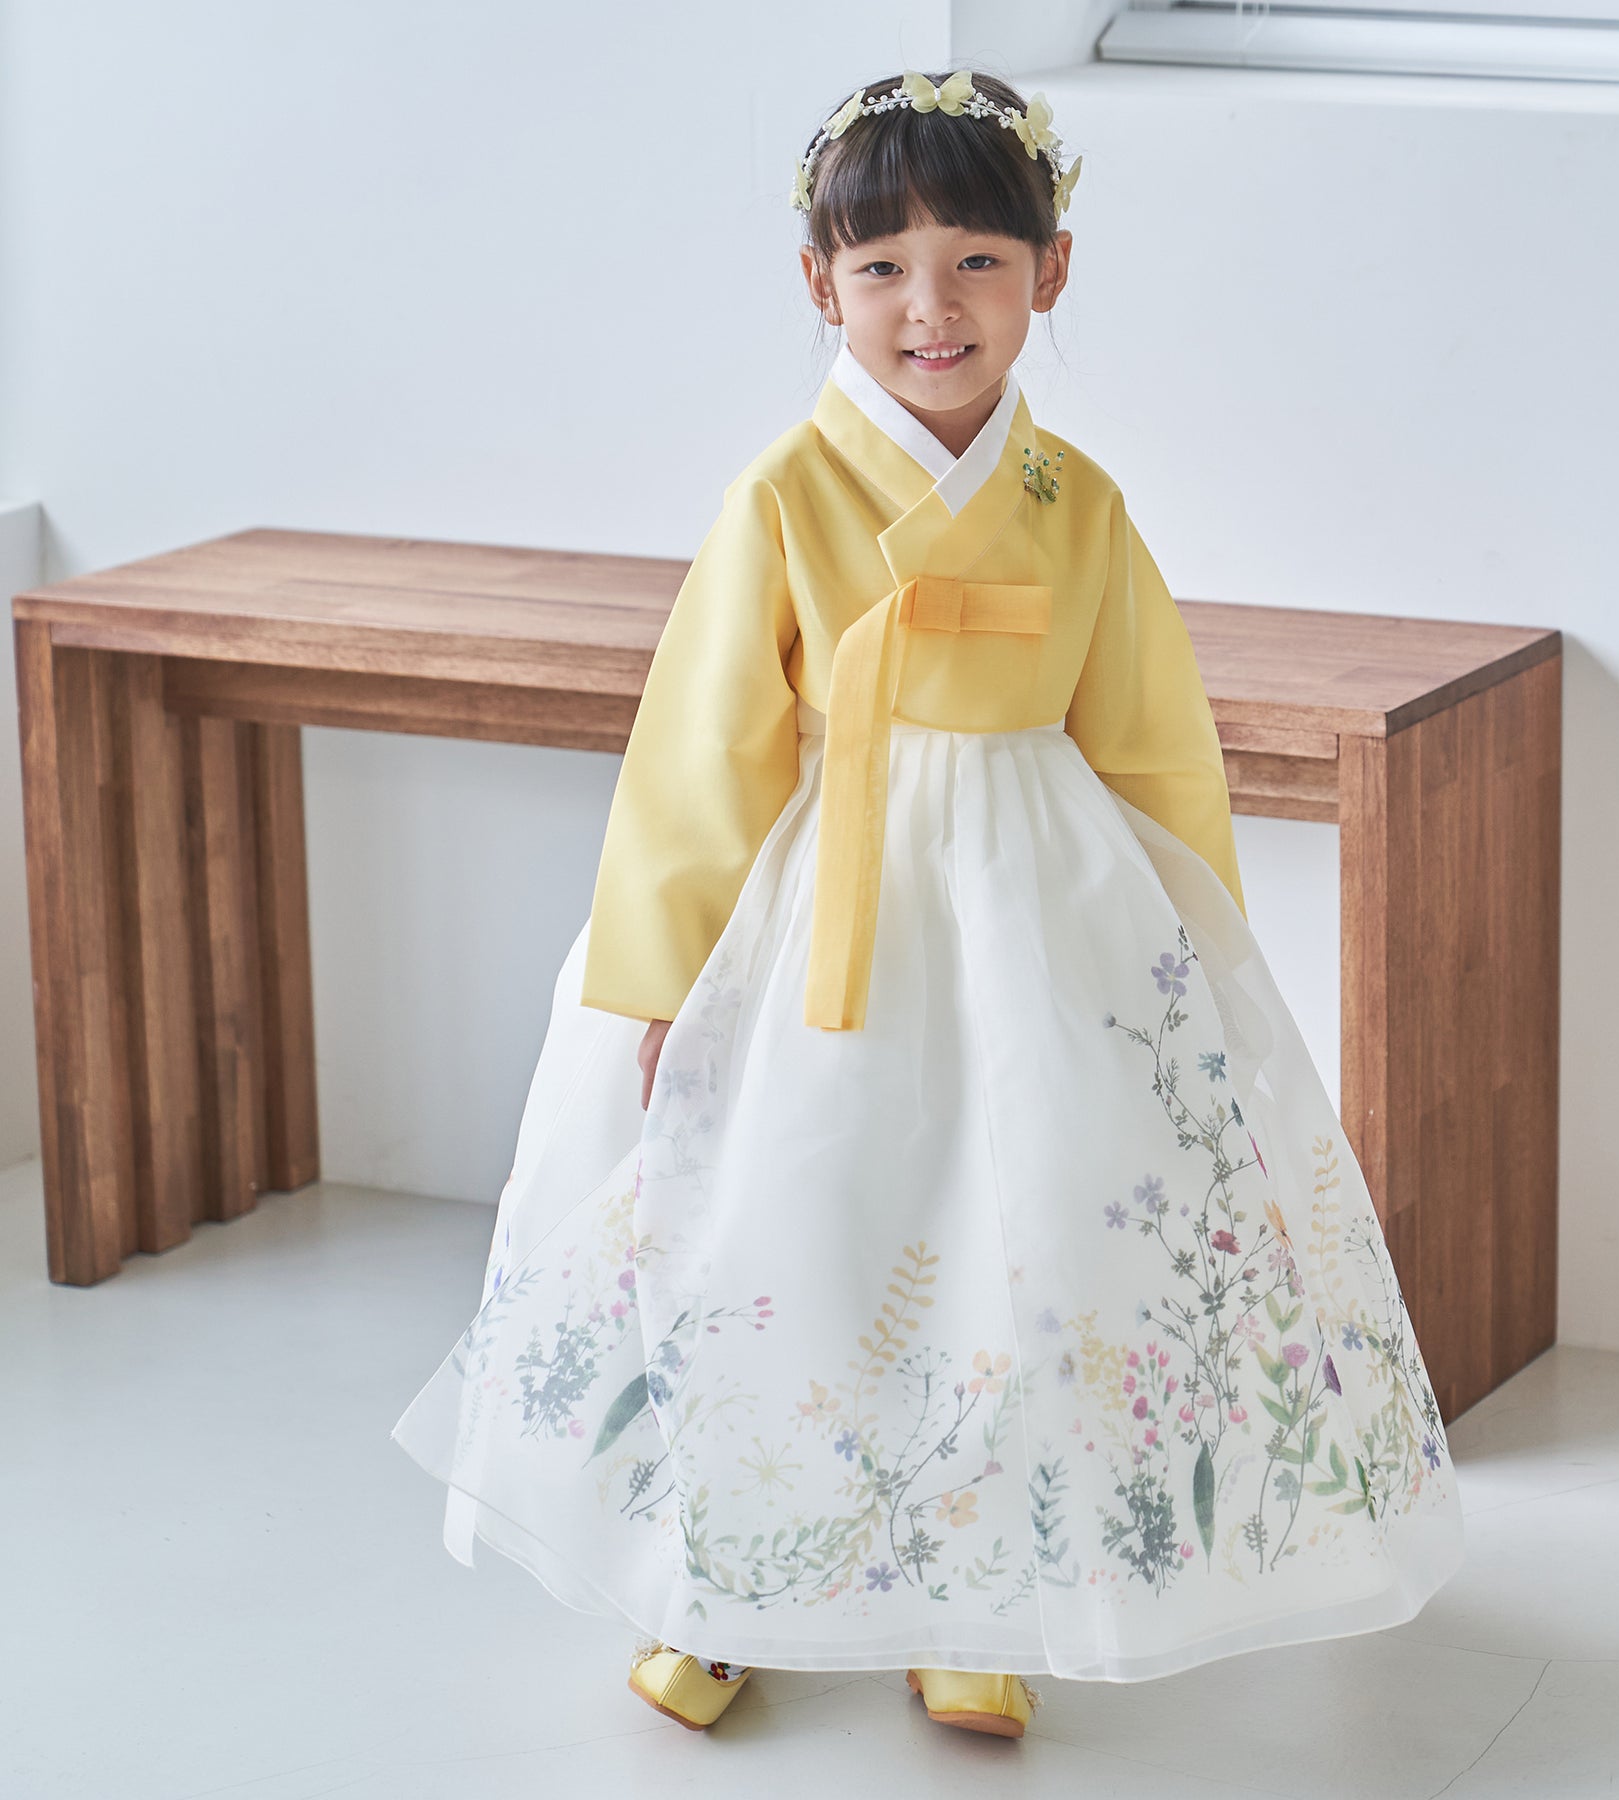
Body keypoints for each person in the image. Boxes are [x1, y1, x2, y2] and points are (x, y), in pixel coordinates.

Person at [390, 66, 1465, 1740]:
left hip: (1036, 917)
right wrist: (664, 981)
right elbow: (702, 755)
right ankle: (721, 1579)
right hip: (818, 906)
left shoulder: (1077, 506)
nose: (930, 306)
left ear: (1051, 271)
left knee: (1005, 1243)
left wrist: (1196, 962)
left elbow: (1152, 746)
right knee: (783, 1226)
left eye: (976, 261)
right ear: (820, 284)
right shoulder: (784, 495)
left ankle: (977, 1597)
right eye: (883, 265)